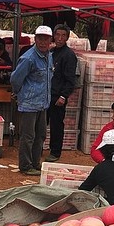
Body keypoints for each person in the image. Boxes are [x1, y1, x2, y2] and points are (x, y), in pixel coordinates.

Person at [10, 25, 53, 176]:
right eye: (40, 39)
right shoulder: (28, 58)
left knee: (40, 135)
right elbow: (15, 79)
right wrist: (18, 94)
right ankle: (26, 166)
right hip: (29, 103)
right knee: (28, 136)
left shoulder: (49, 56)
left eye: (46, 39)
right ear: (35, 39)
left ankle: (36, 163)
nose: (42, 42)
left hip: (43, 103)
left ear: (50, 41)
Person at [46, 24, 78, 162]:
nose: (59, 38)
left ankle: (55, 152)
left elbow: (70, 79)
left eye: (63, 35)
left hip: (58, 95)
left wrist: (63, 96)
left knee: (56, 125)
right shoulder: (51, 51)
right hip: (46, 94)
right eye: (57, 35)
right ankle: (41, 148)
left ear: (67, 37)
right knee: (42, 123)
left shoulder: (69, 55)